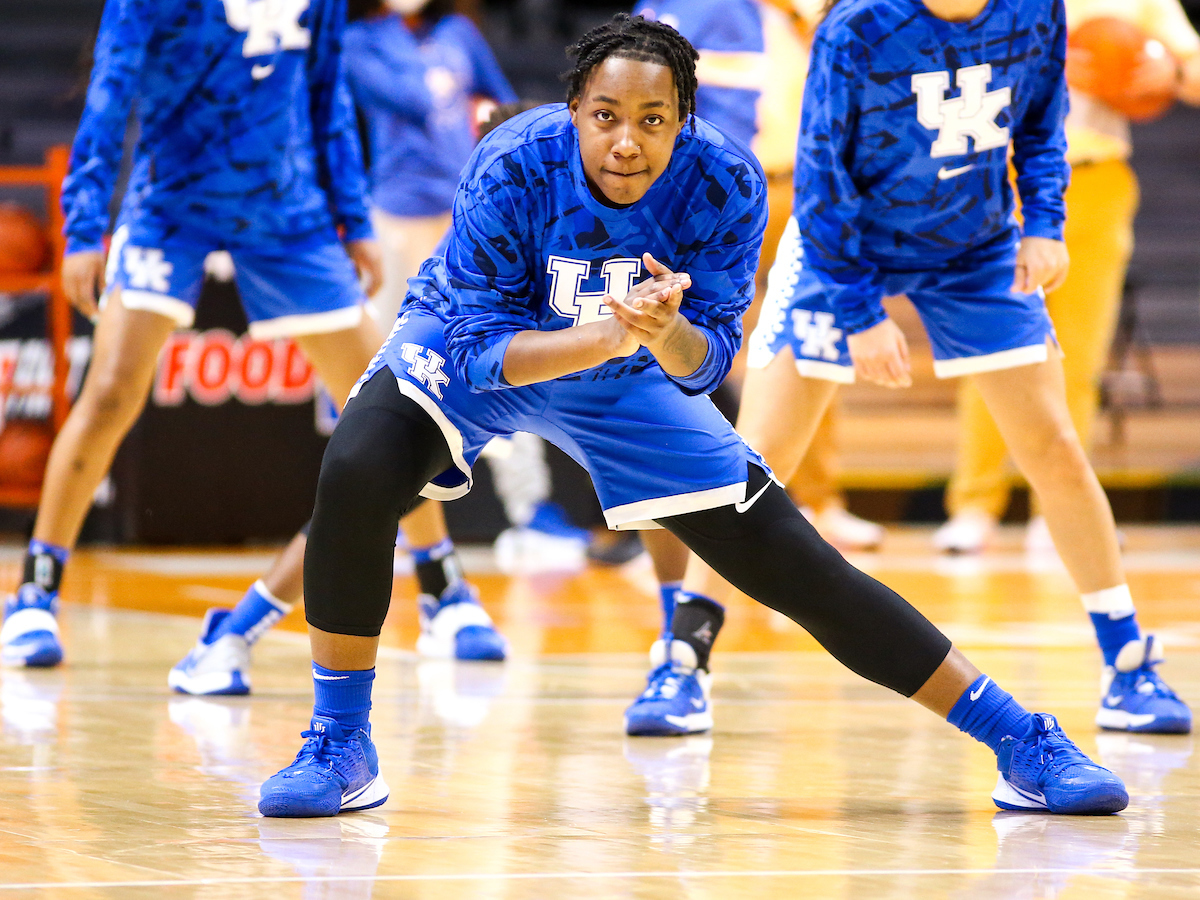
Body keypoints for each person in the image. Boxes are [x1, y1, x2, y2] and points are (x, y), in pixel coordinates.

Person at [256, 13, 1127, 819]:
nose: (626, 140)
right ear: (573, 113)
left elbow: (708, 360)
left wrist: (664, 333)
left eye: (652, 119)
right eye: (604, 116)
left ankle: (1023, 740)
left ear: (683, 121)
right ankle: (340, 747)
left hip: (626, 372)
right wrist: (598, 337)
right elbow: (481, 346)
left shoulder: (727, 183)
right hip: (476, 344)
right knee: (359, 468)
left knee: (798, 566)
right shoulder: (512, 160)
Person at [680, 0, 1191, 736]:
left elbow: (1046, 125)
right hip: (845, 245)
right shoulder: (856, 26)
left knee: (1053, 447)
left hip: (974, 248)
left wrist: (1045, 224)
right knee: (760, 463)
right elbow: (823, 178)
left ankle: (1128, 665)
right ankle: (683, 658)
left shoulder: (1034, 10)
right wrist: (858, 313)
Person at [0, 0, 504, 679]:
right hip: (169, 207)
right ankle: (35, 591)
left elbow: (326, 99)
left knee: (388, 405)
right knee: (112, 392)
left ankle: (444, 588)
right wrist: (85, 226)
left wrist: (352, 220)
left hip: (287, 214)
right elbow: (109, 94)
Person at [935, 0, 1200, 554]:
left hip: (1094, 182)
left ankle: (1057, 513)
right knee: (989, 349)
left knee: (1077, 358)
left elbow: (1193, 69)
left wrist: (1173, 74)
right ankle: (974, 507)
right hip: (996, 181)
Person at [633, 0, 884, 554]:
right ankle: (681, 507)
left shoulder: (812, 14)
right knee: (690, 342)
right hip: (719, 188)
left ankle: (817, 500)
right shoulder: (688, 11)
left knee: (814, 340)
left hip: (805, 186)